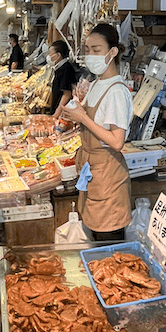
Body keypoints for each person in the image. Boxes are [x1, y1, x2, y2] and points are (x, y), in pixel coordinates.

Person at [62, 23, 133, 242]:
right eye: (87, 49)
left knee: (108, 240)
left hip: (108, 175)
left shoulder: (117, 91)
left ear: (112, 52)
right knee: (95, 235)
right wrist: (76, 109)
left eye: (96, 50)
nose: (90, 55)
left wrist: (82, 117)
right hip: (93, 170)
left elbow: (116, 141)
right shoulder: (95, 84)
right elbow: (91, 122)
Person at [48, 40, 78, 118]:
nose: (49, 57)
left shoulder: (66, 69)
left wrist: (57, 114)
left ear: (58, 55)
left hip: (62, 114)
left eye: (50, 54)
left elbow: (67, 94)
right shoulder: (59, 68)